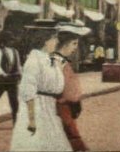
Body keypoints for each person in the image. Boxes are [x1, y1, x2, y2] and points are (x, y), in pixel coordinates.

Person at [10, 19, 71, 152]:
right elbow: (28, 92)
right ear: (45, 40)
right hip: (37, 111)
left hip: (50, 110)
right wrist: (31, 120)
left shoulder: (51, 59)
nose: (57, 42)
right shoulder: (33, 60)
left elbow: (58, 85)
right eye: (54, 38)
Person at [54, 21, 91, 152]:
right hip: (61, 106)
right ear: (65, 43)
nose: (76, 47)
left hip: (68, 106)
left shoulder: (63, 61)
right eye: (74, 43)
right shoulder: (56, 62)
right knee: (72, 136)